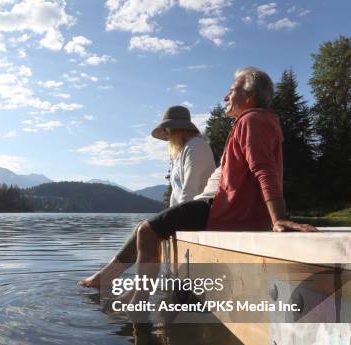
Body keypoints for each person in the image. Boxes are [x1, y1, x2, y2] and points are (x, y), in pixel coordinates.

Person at [80, 67, 316, 290]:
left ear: (250, 96)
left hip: (224, 209)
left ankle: (137, 308)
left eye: (232, 90)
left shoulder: (250, 121)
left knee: (147, 230)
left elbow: (264, 169)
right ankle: (127, 292)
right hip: (224, 207)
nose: (225, 97)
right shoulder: (252, 121)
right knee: (147, 228)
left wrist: (278, 218)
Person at [79, 105, 215, 288]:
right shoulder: (183, 151)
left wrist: (171, 223)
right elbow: (177, 195)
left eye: (167, 130)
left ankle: (120, 284)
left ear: (177, 128)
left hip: (198, 213)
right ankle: (108, 276)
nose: (166, 136)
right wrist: (167, 218)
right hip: (186, 211)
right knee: (141, 228)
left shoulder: (197, 147)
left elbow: (189, 191)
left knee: (145, 230)